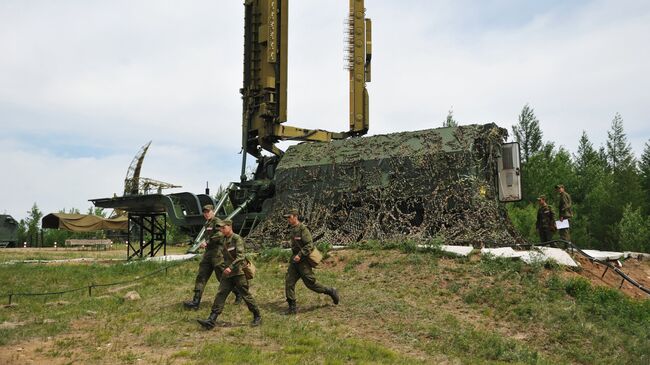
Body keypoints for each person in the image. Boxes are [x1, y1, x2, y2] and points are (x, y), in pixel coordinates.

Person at [197, 219, 261, 329]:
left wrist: (230, 268)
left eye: (223, 228)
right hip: (227, 274)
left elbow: (240, 257)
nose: (221, 230)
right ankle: (211, 319)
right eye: (220, 228)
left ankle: (257, 316)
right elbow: (212, 241)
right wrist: (205, 244)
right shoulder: (222, 239)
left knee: (246, 295)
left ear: (230, 227)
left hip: (238, 273)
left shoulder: (237, 239)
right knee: (220, 294)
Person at [183, 205, 241, 310]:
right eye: (204, 212)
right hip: (208, 254)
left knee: (222, 277)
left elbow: (220, 233)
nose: (206, 214)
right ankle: (195, 302)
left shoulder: (217, 221)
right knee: (202, 275)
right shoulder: (207, 223)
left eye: (208, 211)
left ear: (213, 211)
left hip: (217, 255)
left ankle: (238, 293)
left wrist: (208, 242)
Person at [283, 208, 339, 315]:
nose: (288, 220)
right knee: (289, 282)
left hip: (303, 262)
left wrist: (300, 255)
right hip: (294, 262)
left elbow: (309, 245)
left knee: (311, 285)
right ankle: (292, 308)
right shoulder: (293, 229)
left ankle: (331, 291)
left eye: (289, 217)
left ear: (295, 217)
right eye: (287, 218)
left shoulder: (303, 229)